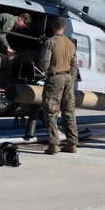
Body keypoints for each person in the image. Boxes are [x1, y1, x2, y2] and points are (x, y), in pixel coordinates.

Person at [38, 16, 78, 154]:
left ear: (52, 27)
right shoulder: (71, 43)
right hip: (68, 78)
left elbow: (44, 65)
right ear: (64, 27)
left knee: (51, 112)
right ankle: (72, 143)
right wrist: (70, 80)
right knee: (69, 111)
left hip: (55, 78)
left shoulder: (50, 42)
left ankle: (53, 144)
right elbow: (74, 66)